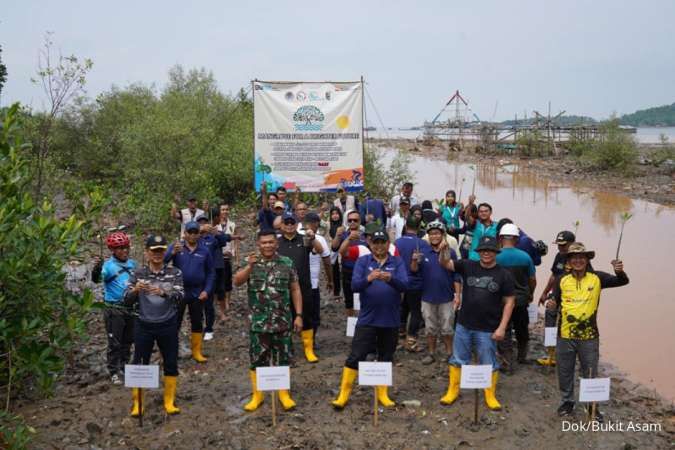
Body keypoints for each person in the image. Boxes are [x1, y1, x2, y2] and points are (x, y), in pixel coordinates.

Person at [548, 243, 628, 418]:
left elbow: (623, 281)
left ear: (587, 260)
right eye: (574, 257)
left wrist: (619, 270)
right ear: (568, 261)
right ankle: (567, 402)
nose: (578, 260)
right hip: (565, 335)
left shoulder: (597, 278)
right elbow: (554, 301)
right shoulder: (561, 279)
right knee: (565, 371)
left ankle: (591, 406)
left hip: (590, 336)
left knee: (590, 372)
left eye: (581, 257)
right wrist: (551, 305)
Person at [331, 230, 408, 409]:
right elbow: (354, 286)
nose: (379, 246)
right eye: (376, 242)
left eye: (383, 242)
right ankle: (344, 394)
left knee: (386, 356)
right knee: (355, 356)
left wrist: (391, 279)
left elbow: (405, 285)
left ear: (388, 244)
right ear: (370, 244)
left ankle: (382, 393)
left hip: (390, 319)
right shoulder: (363, 261)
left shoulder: (397, 261)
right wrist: (369, 278)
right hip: (367, 319)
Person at [440, 236, 515, 410]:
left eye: (490, 250)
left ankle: (490, 395)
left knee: (489, 362)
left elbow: (509, 302)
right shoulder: (467, 265)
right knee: (458, 359)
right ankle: (453, 391)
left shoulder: (504, 275)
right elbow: (445, 264)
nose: (486, 253)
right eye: (483, 250)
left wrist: (502, 328)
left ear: (496, 252)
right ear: (478, 252)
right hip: (464, 325)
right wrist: (444, 250)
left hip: (488, 328)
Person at [233, 229, 304, 412]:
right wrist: (249, 267)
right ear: (258, 244)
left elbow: (295, 289)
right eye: (264, 242)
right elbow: (237, 281)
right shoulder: (251, 262)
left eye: (270, 242)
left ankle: (283, 394)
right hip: (259, 323)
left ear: (276, 243)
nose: (267, 245)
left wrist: (299, 315)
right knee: (258, 360)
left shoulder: (286, 263)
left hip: (283, 322)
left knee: (284, 358)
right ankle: (258, 395)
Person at [124, 235, 184, 416]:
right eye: (153, 251)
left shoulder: (175, 273)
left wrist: (164, 292)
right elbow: (125, 300)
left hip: (168, 324)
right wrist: (135, 290)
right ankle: (138, 402)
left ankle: (169, 401)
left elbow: (181, 296)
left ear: (164, 252)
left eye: (160, 250)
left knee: (171, 362)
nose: (157, 254)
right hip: (144, 325)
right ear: (147, 253)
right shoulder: (137, 274)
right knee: (139, 363)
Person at [410, 221, 461, 365]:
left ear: (443, 235)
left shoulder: (450, 252)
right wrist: (414, 261)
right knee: (430, 328)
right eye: (431, 233)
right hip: (427, 297)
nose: (434, 236)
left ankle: (449, 353)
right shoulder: (423, 251)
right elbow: (414, 270)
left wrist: (458, 295)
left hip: (447, 297)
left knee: (447, 328)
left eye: (437, 233)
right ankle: (431, 353)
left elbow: (456, 276)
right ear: (428, 235)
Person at [91, 231, 138, 385]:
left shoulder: (132, 264)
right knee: (114, 341)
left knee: (128, 340)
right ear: (113, 250)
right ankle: (113, 371)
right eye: (120, 248)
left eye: (126, 247)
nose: (124, 251)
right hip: (114, 309)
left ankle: (124, 365)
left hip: (130, 308)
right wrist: (96, 269)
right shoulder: (108, 266)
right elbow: (97, 279)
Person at [277, 212, 324, 362]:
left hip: (304, 285)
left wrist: (313, 238)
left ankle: (308, 349)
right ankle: (287, 349)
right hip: (282, 287)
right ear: (281, 225)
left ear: (297, 224)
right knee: (284, 317)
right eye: (287, 223)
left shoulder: (304, 239)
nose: (290, 225)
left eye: (292, 223)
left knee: (307, 317)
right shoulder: (277, 243)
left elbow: (320, 250)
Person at [165, 221, 214, 363]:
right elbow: (161, 263)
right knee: (175, 321)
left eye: (195, 232)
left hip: (197, 291)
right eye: (189, 232)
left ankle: (196, 351)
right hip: (179, 290)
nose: (192, 235)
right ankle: (171, 351)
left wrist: (207, 290)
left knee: (197, 321)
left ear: (199, 234)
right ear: (184, 233)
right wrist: (172, 252)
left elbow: (211, 273)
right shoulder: (177, 247)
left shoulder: (204, 250)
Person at [495, 224, 537, 372]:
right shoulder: (525, 257)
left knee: (504, 330)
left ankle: (506, 362)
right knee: (521, 328)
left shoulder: (496, 256)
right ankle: (522, 357)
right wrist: (530, 293)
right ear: (517, 239)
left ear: (500, 238)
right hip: (520, 300)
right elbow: (532, 279)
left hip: (501, 301)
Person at [536, 230, 576, 366]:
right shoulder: (559, 255)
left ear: (572, 244)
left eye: (563, 245)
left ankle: (566, 356)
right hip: (555, 295)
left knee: (567, 327)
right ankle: (551, 356)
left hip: (571, 299)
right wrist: (544, 292)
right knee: (550, 324)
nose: (560, 248)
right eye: (558, 245)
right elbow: (554, 275)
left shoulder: (579, 259)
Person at [196, 214, 236, 341]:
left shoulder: (214, 235)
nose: (203, 224)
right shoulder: (195, 237)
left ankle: (216, 320)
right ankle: (200, 326)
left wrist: (216, 232)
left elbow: (225, 240)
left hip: (216, 268)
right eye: (200, 222)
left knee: (220, 291)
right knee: (202, 299)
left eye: (205, 222)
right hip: (200, 272)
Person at [394, 216, 429, 352]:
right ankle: (411, 340)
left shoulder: (397, 242)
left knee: (402, 308)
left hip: (399, 281)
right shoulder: (422, 244)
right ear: (419, 227)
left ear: (406, 226)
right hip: (415, 283)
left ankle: (400, 334)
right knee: (415, 312)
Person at [332, 210, 367, 316]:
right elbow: (334, 248)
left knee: (363, 298)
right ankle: (350, 324)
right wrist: (339, 235)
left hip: (362, 272)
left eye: (355, 220)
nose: (352, 222)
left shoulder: (365, 236)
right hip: (347, 270)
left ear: (360, 221)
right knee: (349, 299)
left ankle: (361, 321)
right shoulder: (343, 234)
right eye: (350, 220)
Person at [304, 212, 333, 341]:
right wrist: (330, 280)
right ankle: (310, 341)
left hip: (295, 282)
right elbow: (327, 262)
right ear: (316, 223)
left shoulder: (295, 235)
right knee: (313, 315)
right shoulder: (319, 238)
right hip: (311, 283)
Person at [216, 203, 239, 319]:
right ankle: (220, 301)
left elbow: (235, 240)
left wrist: (237, 256)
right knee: (219, 280)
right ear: (219, 211)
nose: (225, 211)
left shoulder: (232, 224)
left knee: (228, 279)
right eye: (223, 209)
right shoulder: (214, 225)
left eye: (226, 209)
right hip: (218, 255)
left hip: (229, 255)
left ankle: (227, 301)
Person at [328, 207, 344, 297]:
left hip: (342, 251)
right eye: (333, 214)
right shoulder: (328, 225)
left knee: (344, 273)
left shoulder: (343, 225)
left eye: (336, 213)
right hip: (332, 252)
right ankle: (336, 293)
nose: (335, 216)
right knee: (335, 273)